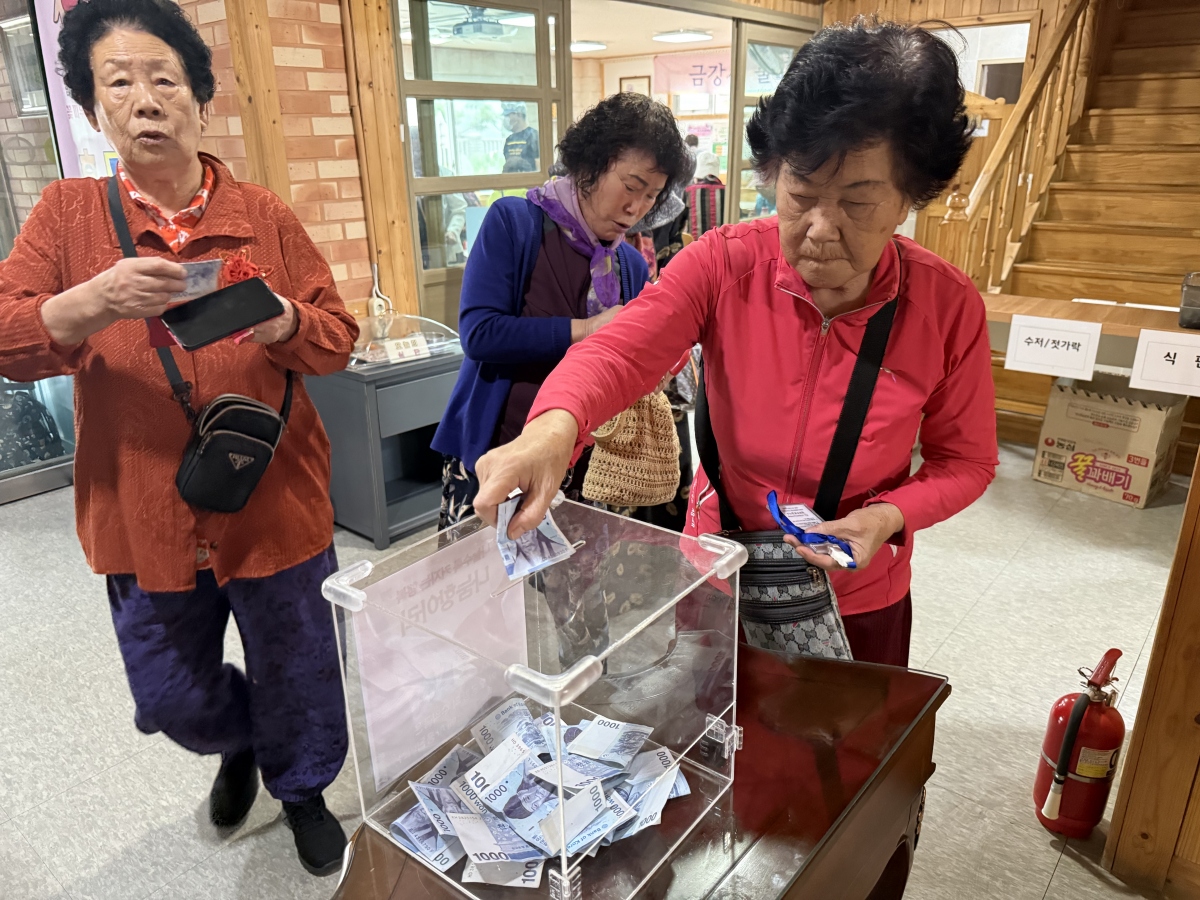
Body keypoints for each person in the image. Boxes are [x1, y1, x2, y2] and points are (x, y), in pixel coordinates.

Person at [467, 18, 999, 667]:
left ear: (912, 196)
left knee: (850, 731)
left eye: (857, 204)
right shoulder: (725, 262)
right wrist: (552, 429)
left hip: (858, 591)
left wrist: (887, 516)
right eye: (800, 194)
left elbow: (965, 461)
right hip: (722, 565)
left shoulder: (945, 305)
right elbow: (620, 351)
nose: (819, 228)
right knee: (717, 724)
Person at [0, 0, 358, 875]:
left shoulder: (263, 212)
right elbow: (7, 340)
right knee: (169, 694)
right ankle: (240, 743)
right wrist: (93, 301)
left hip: (273, 495)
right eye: (118, 82)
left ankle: (303, 789)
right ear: (94, 110)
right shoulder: (67, 215)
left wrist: (283, 322)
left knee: (301, 666)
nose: (145, 100)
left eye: (164, 79)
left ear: (200, 99)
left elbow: (338, 339)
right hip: (141, 507)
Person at [431, 91, 690, 527]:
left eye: (652, 196)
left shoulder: (628, 265)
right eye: (631, 186)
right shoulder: (515, 224)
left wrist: (655, 365)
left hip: (588, 466)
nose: (637, 208)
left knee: (576, 571)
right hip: (497, 452)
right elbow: (480, 334)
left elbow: (625, 368)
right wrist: (587, 330)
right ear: (589, 165)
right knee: (484, 568)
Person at [502, 103, 539, 173]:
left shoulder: (533, 135)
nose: (506, 119)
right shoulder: (509, 139)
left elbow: (539, 164)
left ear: (519, 114)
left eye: (508, 115)